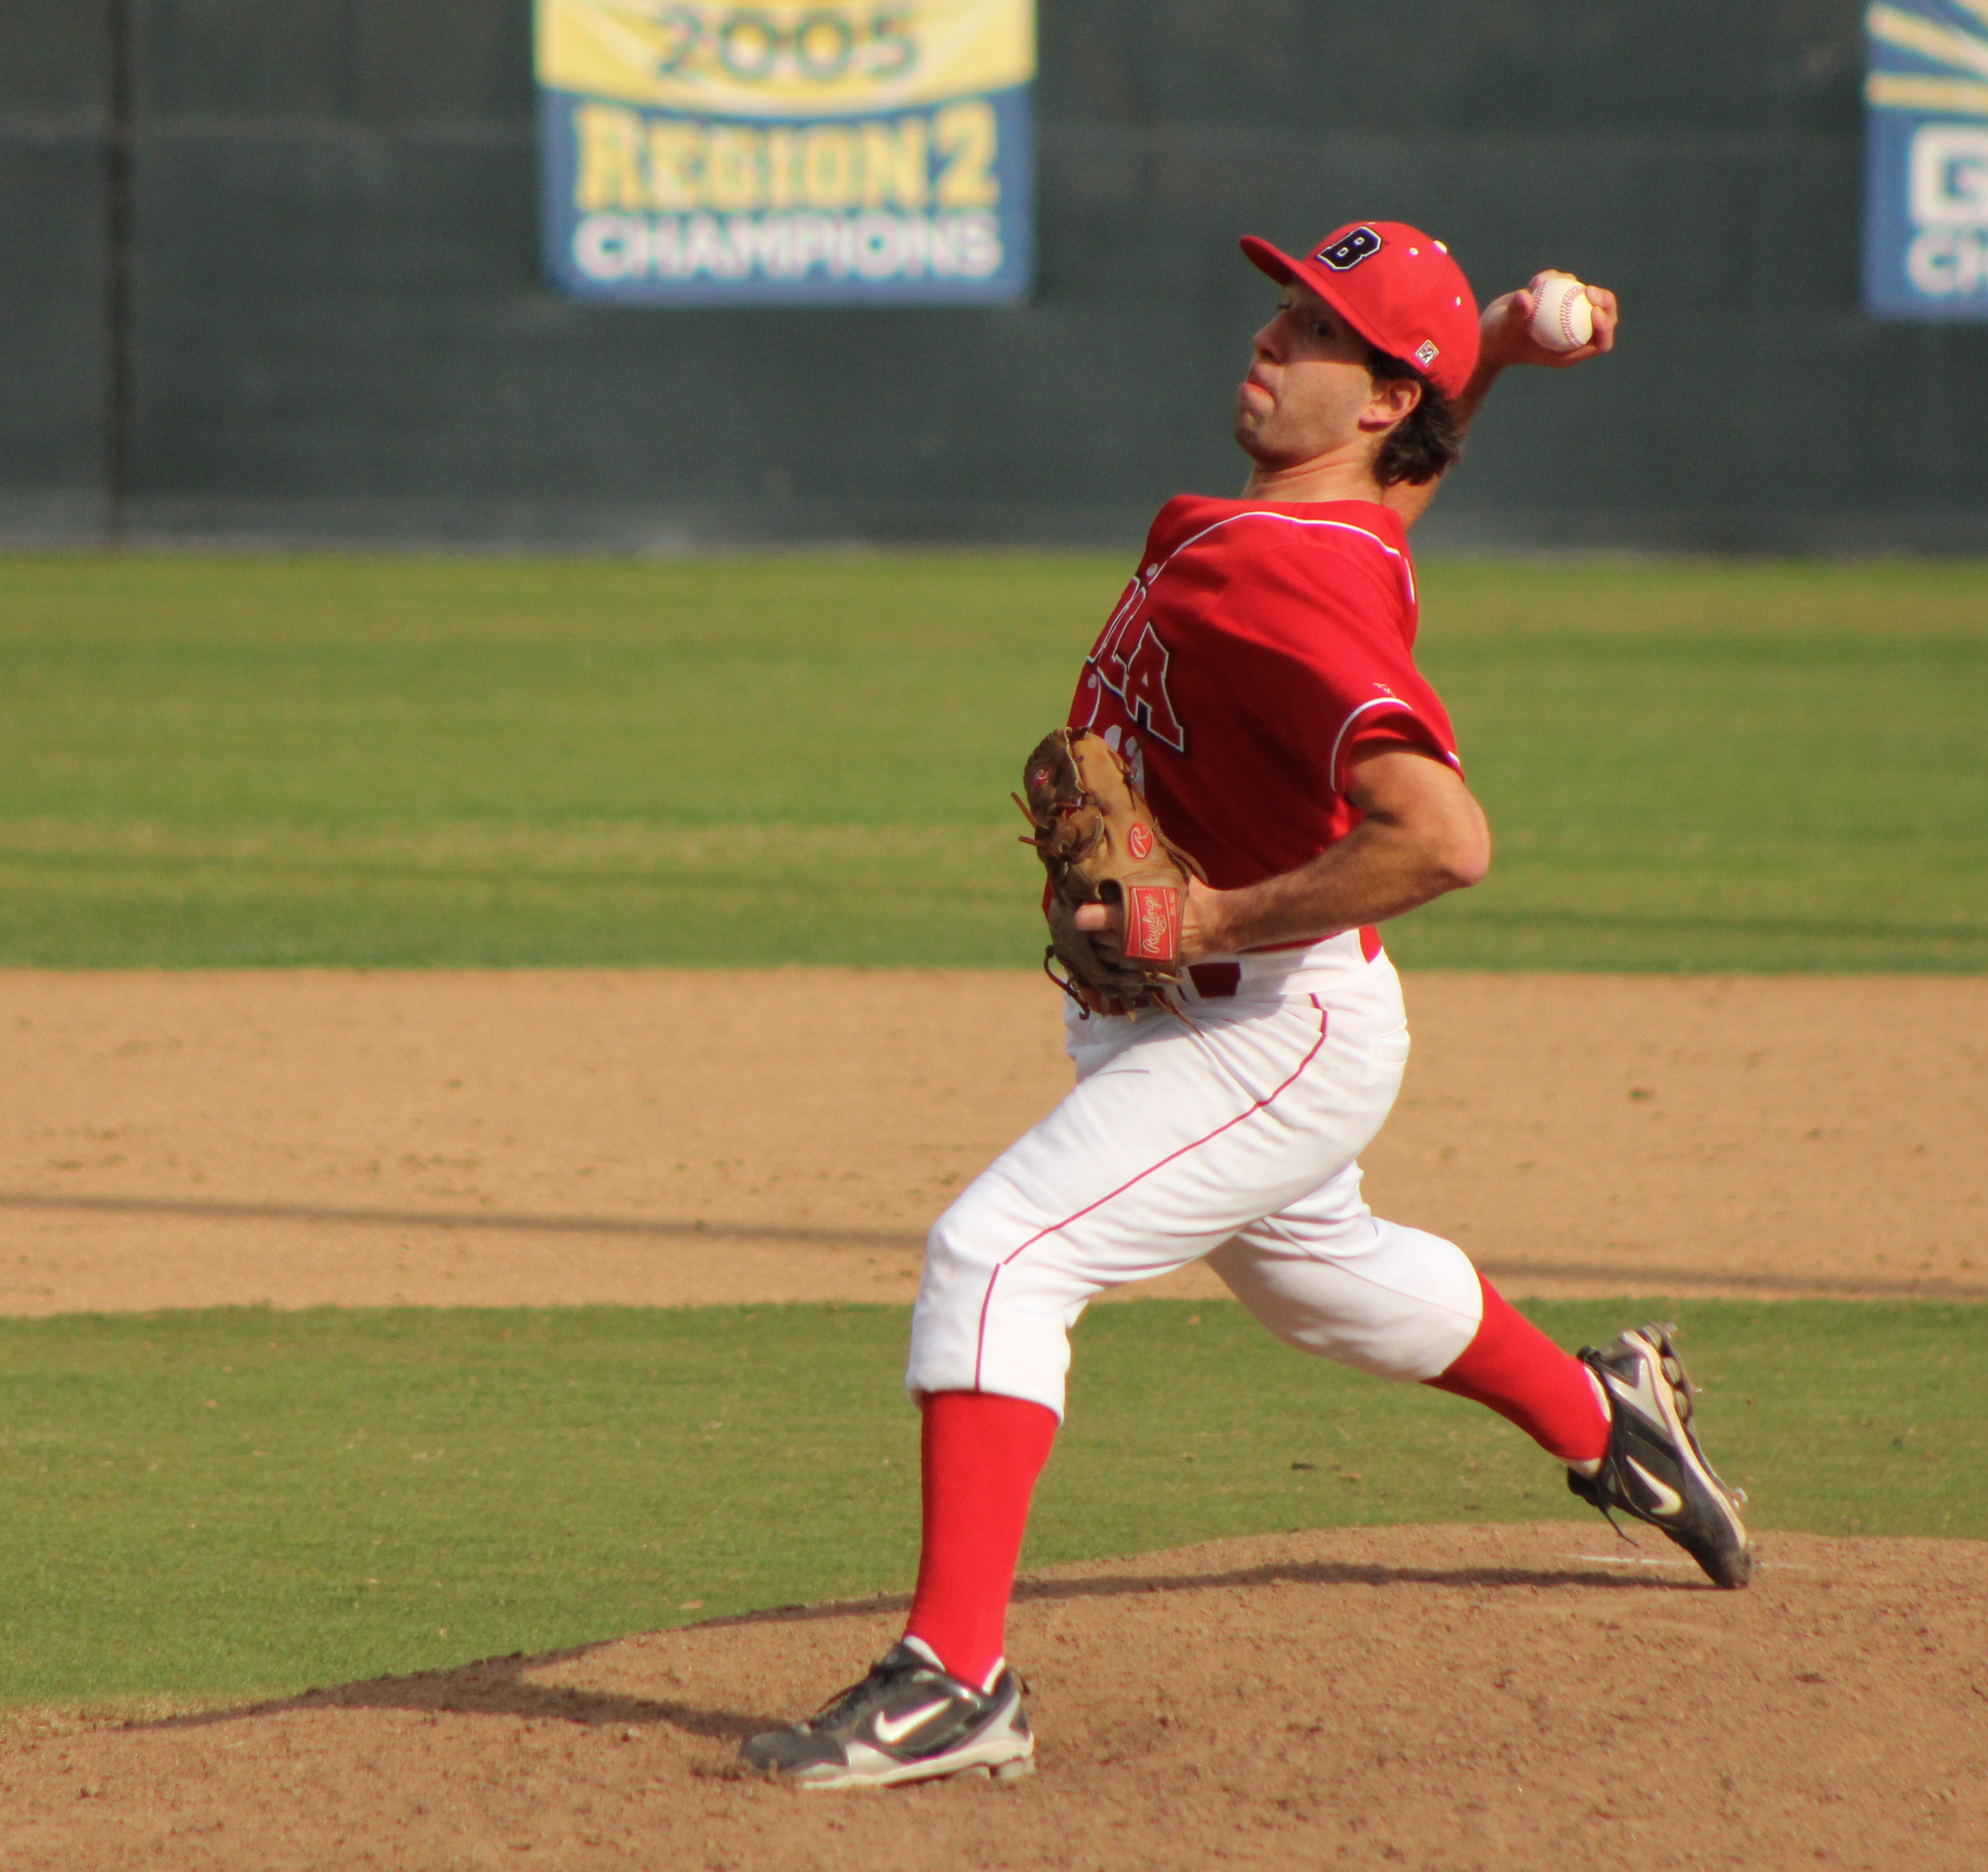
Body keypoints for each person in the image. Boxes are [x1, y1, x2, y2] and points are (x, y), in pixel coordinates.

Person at [740, 223, 1752, 1791]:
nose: (1272, 340)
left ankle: (955, 1676)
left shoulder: (1293, 582)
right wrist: (1485, 333)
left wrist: (1208, 909)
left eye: (1313, 331)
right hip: (1204, 1011)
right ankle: (1603, 1407)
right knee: (1318, 1280)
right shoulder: (1316, 523)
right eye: (1283, 309)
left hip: (1266, 1025)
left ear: (1371, 402)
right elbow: (1393, 476)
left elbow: (1444, 836)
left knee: (998, 1252)